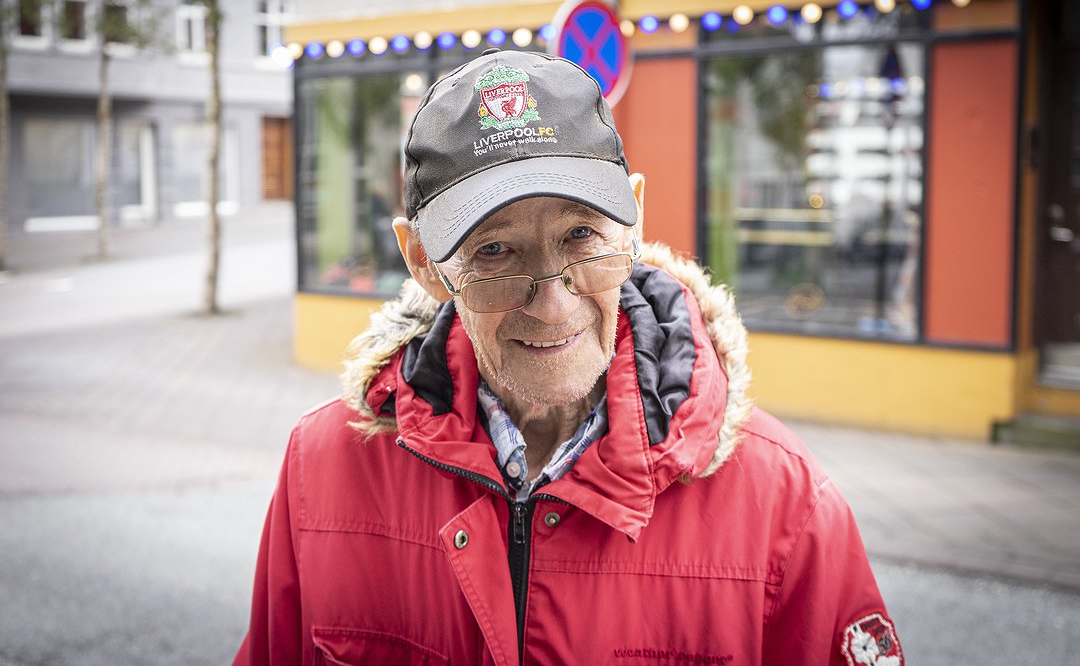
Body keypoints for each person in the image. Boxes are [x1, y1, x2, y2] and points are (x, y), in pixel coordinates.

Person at [233, 50, 903, 666]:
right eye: (495, 252)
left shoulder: (783, 504)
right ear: (422, 264)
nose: (552, 304)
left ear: (633, 222)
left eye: (581, 235)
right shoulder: (321, 470)